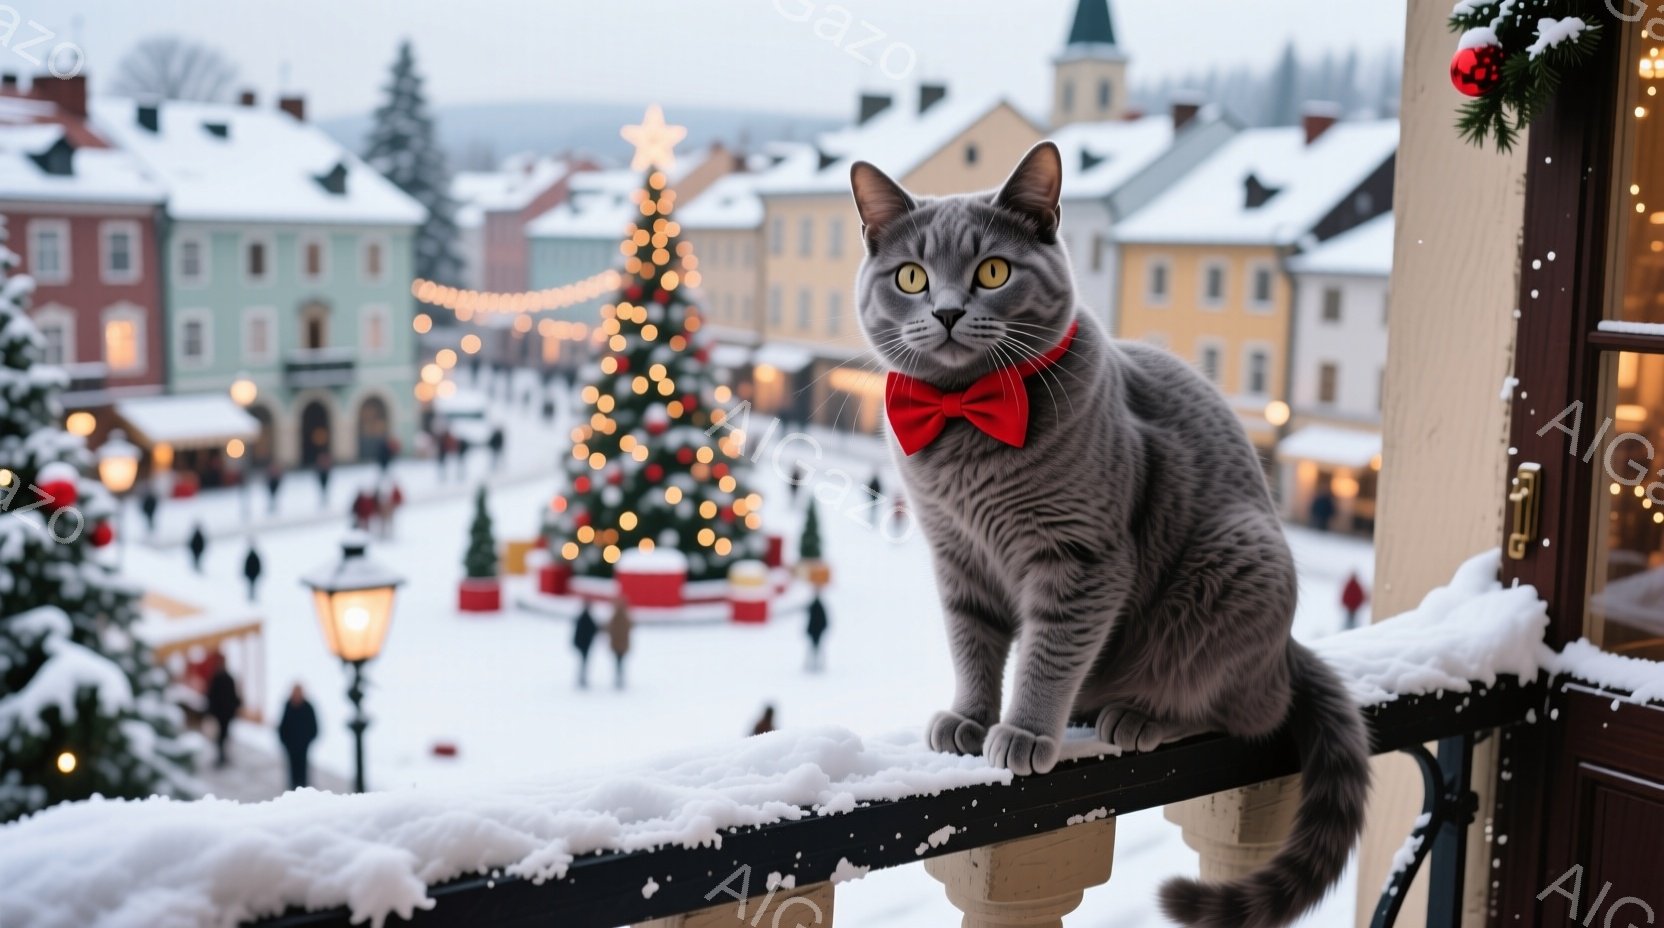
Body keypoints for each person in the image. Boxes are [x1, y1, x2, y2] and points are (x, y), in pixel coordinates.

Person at [276, 684, 318, 790]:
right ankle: (293, 788)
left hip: (303, 745)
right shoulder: (288, 705)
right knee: (292, 769)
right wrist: (284, 741)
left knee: (303, 768)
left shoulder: (308, 707)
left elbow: (314, 727)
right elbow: (283, 725)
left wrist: (308, 740)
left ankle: (303, 788)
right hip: (291, 746)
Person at [205, 654, 241, 768]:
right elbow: (211, 696)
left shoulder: (225, 678)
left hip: (225, 713)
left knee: (223, 736)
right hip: (221, 713)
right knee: (221, 736)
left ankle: (222, 756)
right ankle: (221, 756)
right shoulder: (218, 678)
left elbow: (233, 696)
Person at [608, 595, 633, 691]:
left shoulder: (618, 616)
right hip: (620, 644)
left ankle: (619, 677)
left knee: (618, 662)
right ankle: (619, 677)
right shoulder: (625, 616)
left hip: (619, 644)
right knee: (619, 662)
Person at [572, 603, 599, 689]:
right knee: (584, 662)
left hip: (583, 644)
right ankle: (582, 678)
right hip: (585, 644)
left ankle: (582, 678)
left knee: (583, 662)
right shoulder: (587, 619)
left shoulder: (581, 618)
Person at [805, 594, 829, 671]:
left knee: (815, 648)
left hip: (816, 631)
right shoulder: (817, 607)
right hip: (816, 631)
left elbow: (823, 621)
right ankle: (814, 664)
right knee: (815, 648)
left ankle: (816, 664)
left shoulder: (816, 608)